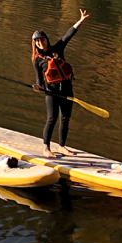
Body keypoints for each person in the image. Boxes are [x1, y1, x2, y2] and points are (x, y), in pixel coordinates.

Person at [31, 9, 90, 157]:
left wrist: (80, 21)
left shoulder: (57, 49)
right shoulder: (37, 60)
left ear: (46, 39)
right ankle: (46, 148)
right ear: (35, 44)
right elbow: (40, 80)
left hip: (67, 89)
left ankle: (62, 146)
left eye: (42, 39)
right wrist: (38, 87)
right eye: (37, 41)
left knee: (65, 118)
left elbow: (68, 35)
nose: (40, 43)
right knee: (52, 119)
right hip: (52, 92)